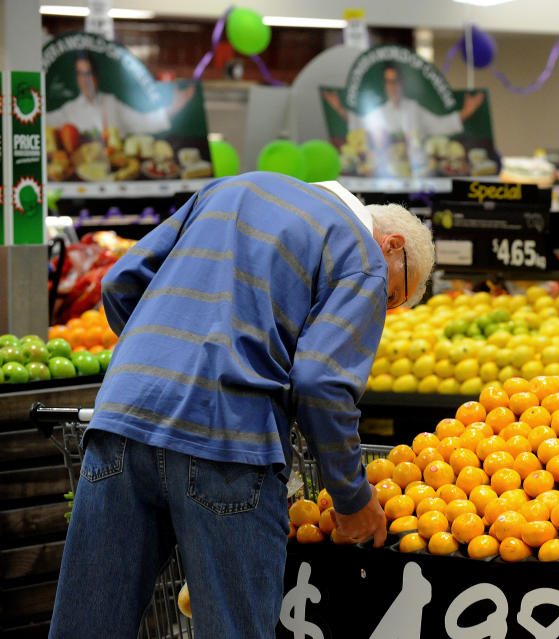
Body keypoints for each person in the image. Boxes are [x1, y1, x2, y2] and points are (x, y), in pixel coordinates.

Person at [49, 172, 435, 638]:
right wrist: (353, 498)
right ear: (393, 245)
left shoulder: (228, 188)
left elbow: (120, 282)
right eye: (391, 298)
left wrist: (161, 363)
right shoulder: (361, 253)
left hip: (123, 420)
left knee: (86, 629)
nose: (383, 310)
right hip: (230, 442)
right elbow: (320, 381)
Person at [322, 62, 485, 152]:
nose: (393, 86)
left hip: (418, 177)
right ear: (385, 85)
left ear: (402, 83)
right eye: (389, 82)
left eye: (396, 81)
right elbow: (359, 123)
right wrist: (339, 109)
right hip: (385, 178)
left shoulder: (413, 108)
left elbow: (440, 125)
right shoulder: (380, 112)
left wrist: (466, 112)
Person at [46, 51, 196, 137]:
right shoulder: (69, 110)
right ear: (77, 78)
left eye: (89, 73)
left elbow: (143, 122)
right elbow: (43, 122)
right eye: (81, 74)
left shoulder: (111, 103)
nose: (86, 80)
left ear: (97, 75)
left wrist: (173, 109)